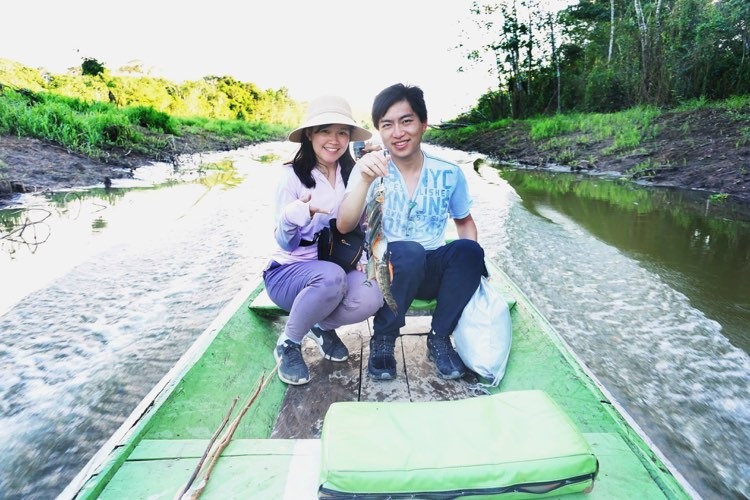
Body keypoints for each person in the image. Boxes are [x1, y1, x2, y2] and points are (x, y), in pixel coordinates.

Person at [337, 83, 486, 380]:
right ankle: (384, 339)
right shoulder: (368, 169)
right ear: (379, 131)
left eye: (406, 121)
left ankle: (440, 338)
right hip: (386, 270)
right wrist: (364, 181)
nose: (398, 132)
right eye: (387, 125)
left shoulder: (449, 172)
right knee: (409, 251)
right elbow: (344, 225)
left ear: (423, 124)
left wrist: (471, 274)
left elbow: (464, 222)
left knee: (470, 252)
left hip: (430, 270)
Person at [263, 95, 384, 385]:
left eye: (342, 132)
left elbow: (364, 223)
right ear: (309, 134)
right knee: (330, 277)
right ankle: (289, 343)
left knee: (372, 295)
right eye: (325, 131)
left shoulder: (353, 173)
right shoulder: (291, 176)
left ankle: (317, 325)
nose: (334, 140)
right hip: (288, 275)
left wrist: (364, 258)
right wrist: (295, 215)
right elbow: (284, 243)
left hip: (338, 266)